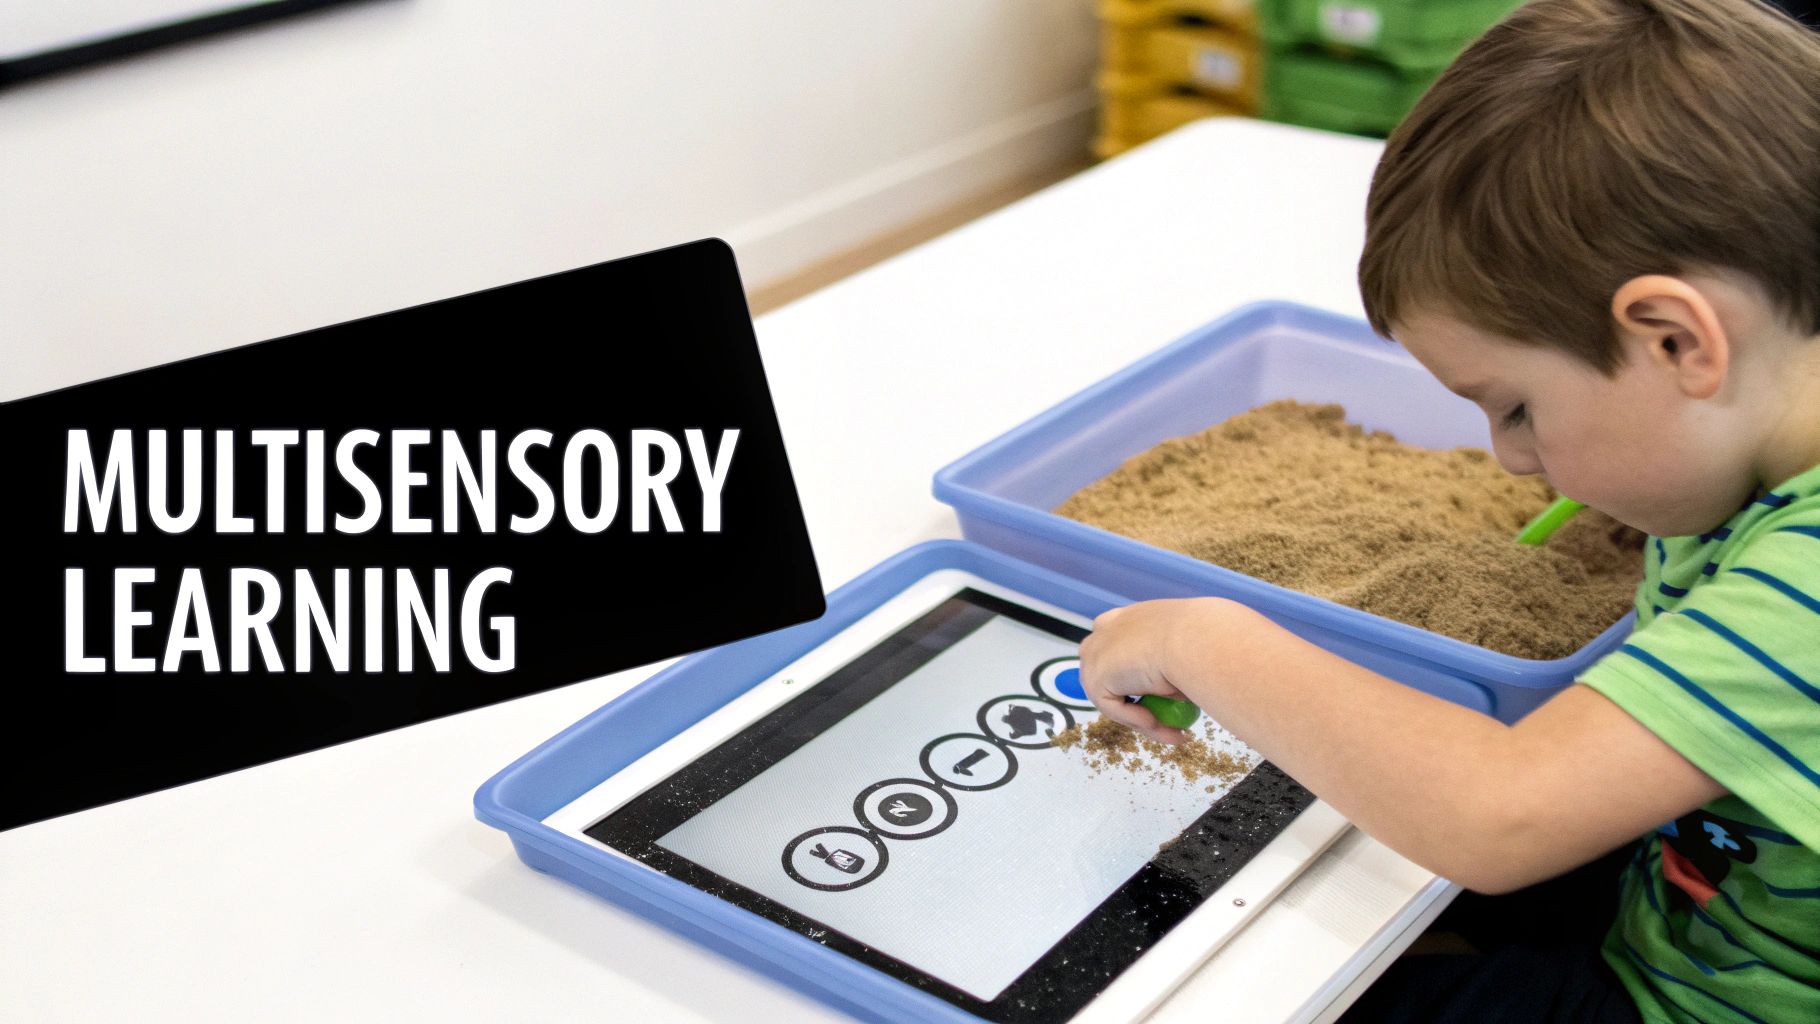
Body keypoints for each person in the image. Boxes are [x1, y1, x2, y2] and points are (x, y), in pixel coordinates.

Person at [1077, 1, 1820, 1021]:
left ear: (1676, 342)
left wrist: (1194, 633)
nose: (1509, 459)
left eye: (1517, 407)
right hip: (1697, 886)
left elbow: (1495, 814)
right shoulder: (1755, 442)